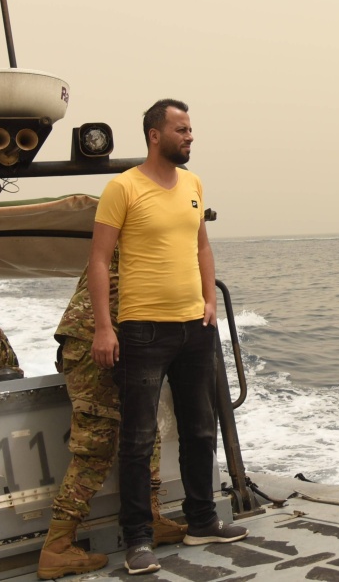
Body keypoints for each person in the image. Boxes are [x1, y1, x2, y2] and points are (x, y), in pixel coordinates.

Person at [90, 98, 245, 575]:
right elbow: (98, 261)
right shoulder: (123, 188)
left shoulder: (194, 184)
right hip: (143, 330)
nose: (190, 136)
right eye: (181, 129)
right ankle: (137, 539)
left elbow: (201, 245)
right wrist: (103, 326)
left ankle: (201, 519)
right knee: (138, 439)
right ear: (155, 135)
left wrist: (210, 301)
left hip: (194, 328)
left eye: (191, 129)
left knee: (201, 428)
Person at [35, 251, 187, 579]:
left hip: (114, 337)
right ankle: (57, 546)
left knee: (146, 429)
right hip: (98, 342)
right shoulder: (143, 229)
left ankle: (150, 519)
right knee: (96, 448)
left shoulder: (136, 227)